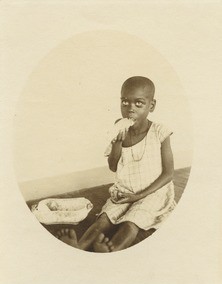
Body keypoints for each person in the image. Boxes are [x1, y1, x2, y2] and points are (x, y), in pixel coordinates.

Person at [56, 76, 176, 252]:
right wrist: (117, 144)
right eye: (125, 102)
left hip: (152, 193)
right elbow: (113, 166)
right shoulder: (119, 129)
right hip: (125, 190)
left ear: (152, 106)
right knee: (104, 218)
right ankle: (79, 246)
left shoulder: (160, 132)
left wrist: (139, 196)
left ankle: (113, 249)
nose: (130, 109)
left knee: (132, 221)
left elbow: (169, 173)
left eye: (138, 103)